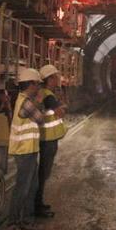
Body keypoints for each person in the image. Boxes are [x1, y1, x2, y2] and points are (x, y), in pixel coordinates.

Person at [5, 67, 45, 230]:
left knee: (32, 187)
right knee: (22, 188)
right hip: (24, 151)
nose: (39, 87)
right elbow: (40, 119)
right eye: (37, 84)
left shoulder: (25, 99)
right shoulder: (26, 101)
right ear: (31, 84)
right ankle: (12, 225)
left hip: (30, 150)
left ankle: (27, 221)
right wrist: (38, 101)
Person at [34, 64, 68, 217]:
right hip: (48, 139)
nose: (58, 79)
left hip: (45, 138)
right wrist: (61, 107)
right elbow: (60, 113)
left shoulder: (44, 93)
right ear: (50, 79)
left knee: (41, 173)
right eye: (56, 76)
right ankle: (37, 206)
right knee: (43, 173)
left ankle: (38, 203)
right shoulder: (48, 95)